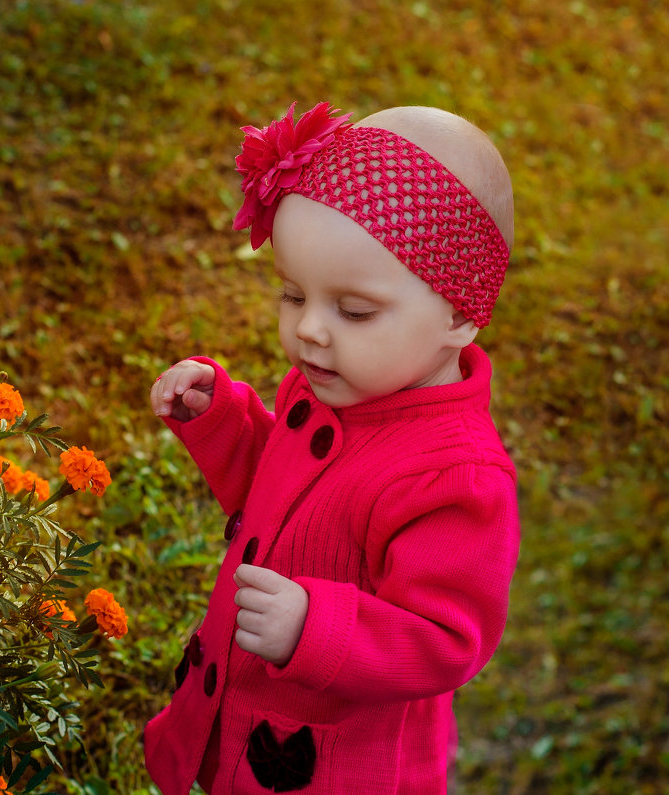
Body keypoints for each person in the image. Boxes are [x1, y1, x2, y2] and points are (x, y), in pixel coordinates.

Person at [144, 102, 520, 794]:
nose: (311, 331)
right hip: (245, 710)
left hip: (337, 766)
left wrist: (315, 628)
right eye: (293, 294)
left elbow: (444, 635)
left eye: (353, 310)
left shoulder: (457, 476)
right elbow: (282, 495)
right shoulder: (325, 388)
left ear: (460, 313)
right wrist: (225, 420)